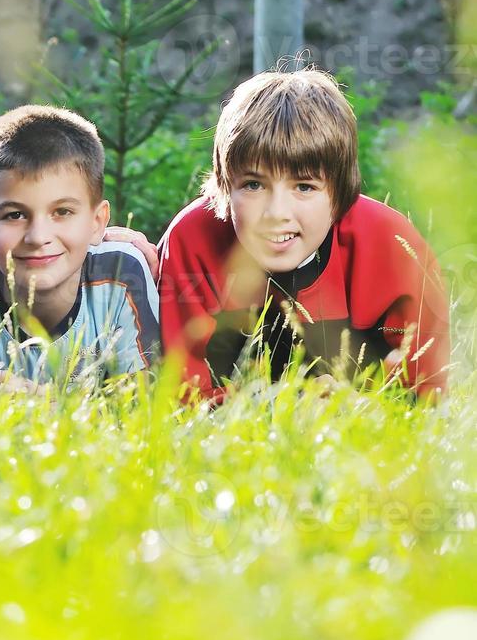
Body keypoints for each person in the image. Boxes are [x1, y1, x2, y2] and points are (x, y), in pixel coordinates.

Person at [157, 67, 450, 400]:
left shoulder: (391, 242)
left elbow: (431, 389)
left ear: (339, 195)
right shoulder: (191, 238)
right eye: (253, 185)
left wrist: (359, 404)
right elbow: (181, 396)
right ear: (224, 186)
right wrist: (276, 407)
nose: (277, 213)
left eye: (305, 186)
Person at [0, 106, 159, 387]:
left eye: (62, 212)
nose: (38, 236)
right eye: (14, 215)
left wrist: (37, 405)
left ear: (97, 221)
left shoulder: (120, 273)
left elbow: (149, 407)